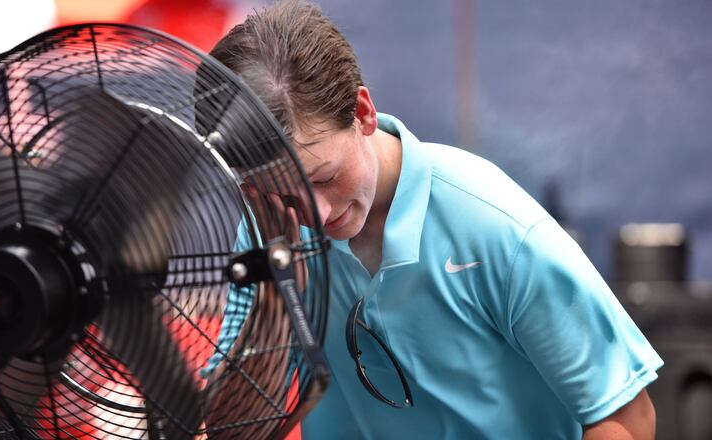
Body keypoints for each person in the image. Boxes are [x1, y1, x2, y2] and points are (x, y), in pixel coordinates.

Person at [198, 0, 663, 438]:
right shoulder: (271, 228)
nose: (313, 215)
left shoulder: (495, 226)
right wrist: (275, 300)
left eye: (325, 176)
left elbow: (626, 414)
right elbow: (232, 429)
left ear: (362, 113)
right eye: (282, 193)